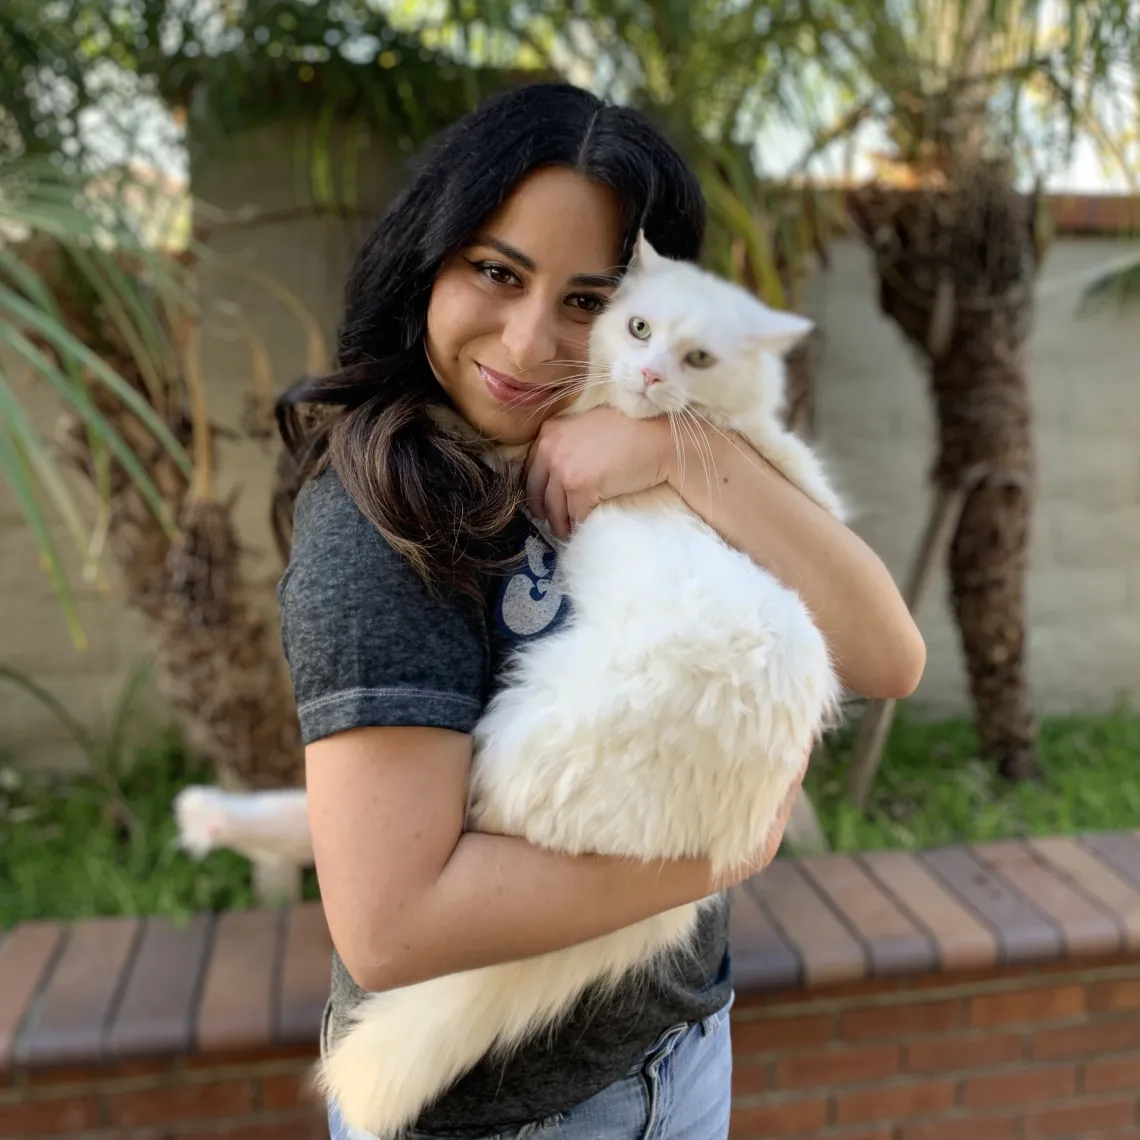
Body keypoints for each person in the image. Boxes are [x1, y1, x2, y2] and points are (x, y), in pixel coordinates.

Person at [275, 81, 925, 1140]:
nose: (531, 344)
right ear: (426, 257)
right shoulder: (380, 519)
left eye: (585, 300)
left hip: (681, 1046)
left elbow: (889, 656)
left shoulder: (649, 432)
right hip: (502, 1116)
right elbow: (390, 925)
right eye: (496, 271)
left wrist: (675, 448)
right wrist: (728, 853)